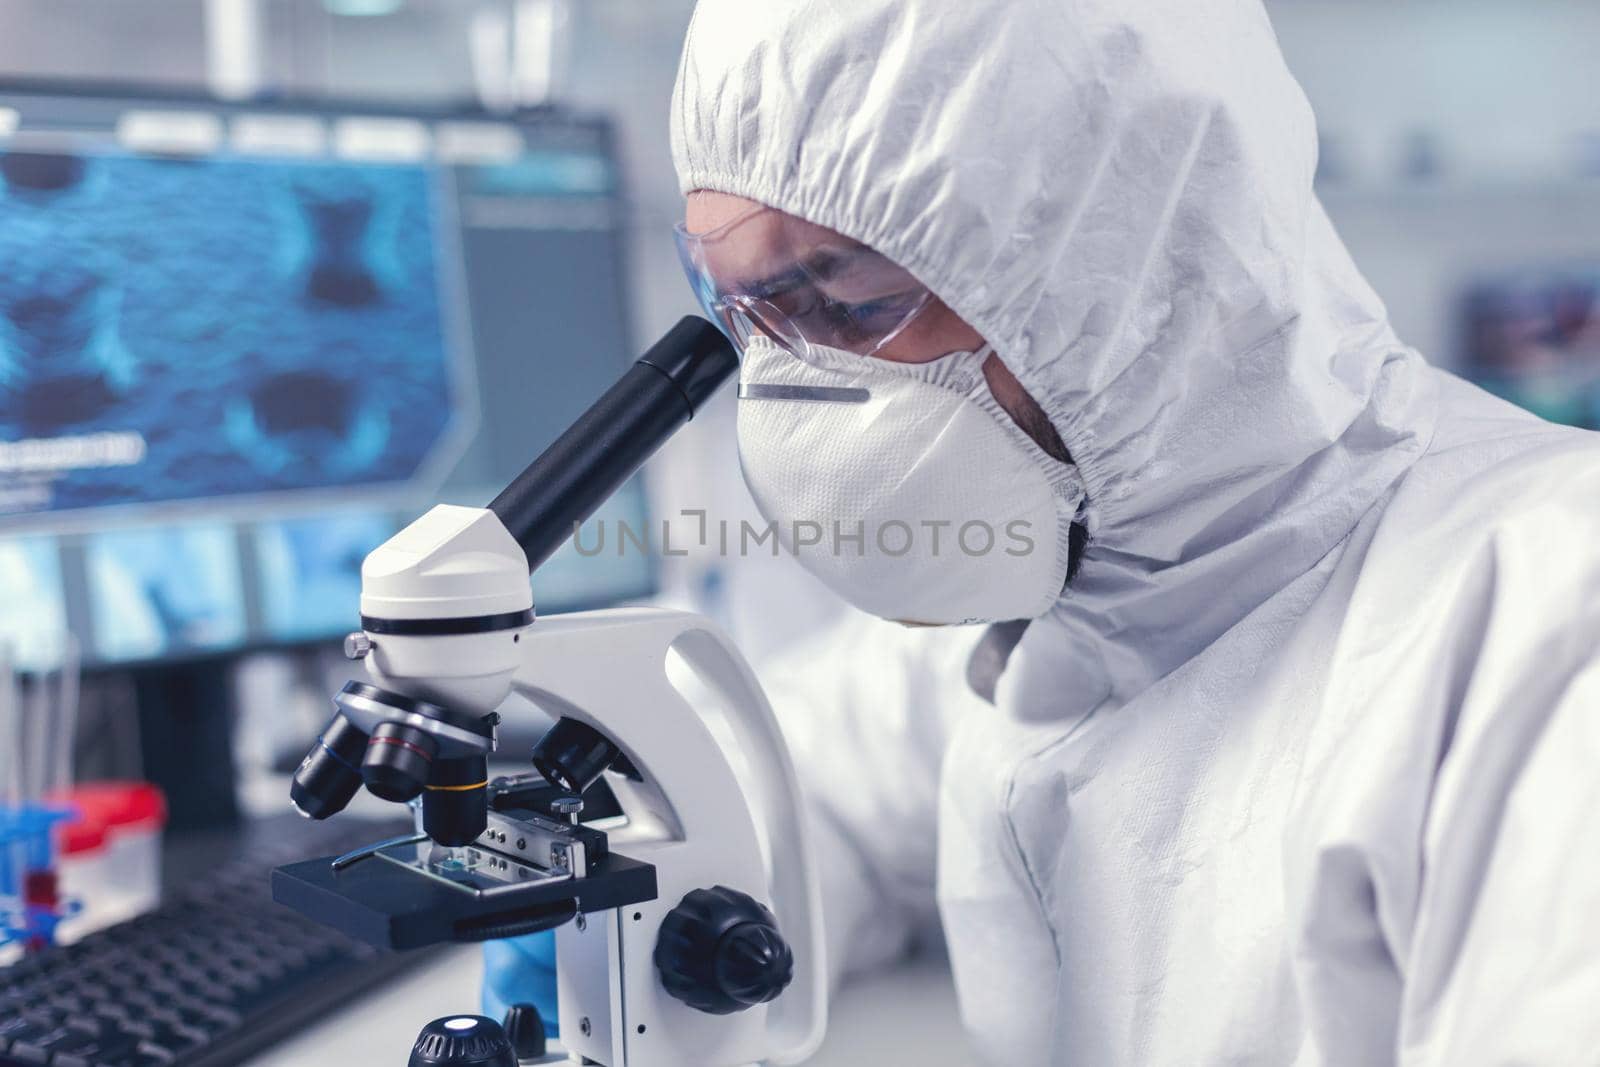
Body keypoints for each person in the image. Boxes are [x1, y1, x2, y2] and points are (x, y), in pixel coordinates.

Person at [490, 0, 1600, 1062]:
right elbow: (813, 774)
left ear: (1121, 256)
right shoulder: (1079, 592)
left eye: (853, 301)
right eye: (751, 316)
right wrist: (637, 882)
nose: (792, 396)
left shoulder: (1543, 625)